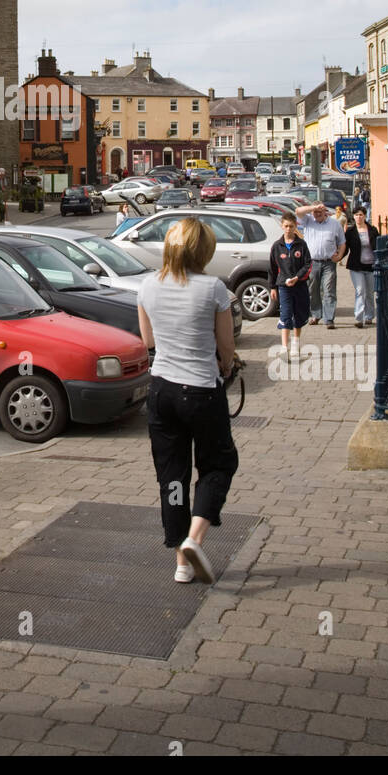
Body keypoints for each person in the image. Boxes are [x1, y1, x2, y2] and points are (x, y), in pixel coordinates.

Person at [137, 218, 238, 586]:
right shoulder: (214, 288)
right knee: (218, 464)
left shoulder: (148, 285)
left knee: (172, 476)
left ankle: (181, 560)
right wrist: (227, 365)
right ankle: (195, 539)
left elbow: (148, 340)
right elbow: (226, 347)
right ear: (203, 251)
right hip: (201, 391)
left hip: (162, 389)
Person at [295, 201, 346, 329]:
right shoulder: (308, 221)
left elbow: (342, 242)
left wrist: (339, 256)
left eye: (319, 211)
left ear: (325, 212)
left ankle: (329, 319)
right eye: (315, 212)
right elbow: (298, 211)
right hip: (312, 262)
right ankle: (316, 315)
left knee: (329, 289)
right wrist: (313, 207)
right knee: (313, 290)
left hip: (328, 262)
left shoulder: (334, 224)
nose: (317, 214)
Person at [269, 211, 312, 353]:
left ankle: (295, 343)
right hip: (284, 286)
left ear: (295, 227)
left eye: (291, 226)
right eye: (286, 226)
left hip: (299, 284)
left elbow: (307, 264)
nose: (288, 229)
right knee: (285, 314)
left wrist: (297, 277)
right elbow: (272, 268)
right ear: (282, 226)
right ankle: (284, 347)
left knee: (300, 313)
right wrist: (273, 287)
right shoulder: (277, 246)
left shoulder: (301, 245)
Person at [344, 206, 378, 326]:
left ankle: (369, 316)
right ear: (353, 217)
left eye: (361, 215)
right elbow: (345, 248)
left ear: (364, 216)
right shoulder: (350, 232)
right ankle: (359, 317)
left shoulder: (372, 230)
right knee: (360, 290)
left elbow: (378, 246)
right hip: (356, 266)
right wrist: (338, 257)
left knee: (369, 292)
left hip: (370, 265)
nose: (359, 217)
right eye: (356, 215)